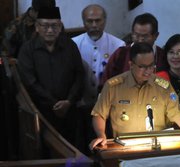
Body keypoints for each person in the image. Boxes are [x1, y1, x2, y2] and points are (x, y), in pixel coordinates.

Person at [89, 42, 180, 149]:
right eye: (142, 67)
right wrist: (101, 135)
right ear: (131, 65)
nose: (148, 71)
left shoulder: (162, 86)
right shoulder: (113, 86)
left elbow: (177, 114)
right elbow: (99, 114)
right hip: (124, 148)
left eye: (151, 66)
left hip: (157, 148)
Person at [17, 6, 84, 147]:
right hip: (41, 113)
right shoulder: (27, 50)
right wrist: (54, 103)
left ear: (60, 27)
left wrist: (69, 101)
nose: (49, 30)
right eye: (45, 25)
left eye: (54, 26)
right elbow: (30, 83)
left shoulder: (70, 46)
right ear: (37, 27)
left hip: (70, 111)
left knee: (73, 148)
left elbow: (79, 75)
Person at [72, 4, 125, 152]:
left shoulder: (118, 45)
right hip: (82, 106)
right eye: (90, 21)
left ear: (105, 21)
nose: (94, 25)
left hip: (109, 107)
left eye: (98, 20)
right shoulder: (74, 44)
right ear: (83, 22)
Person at [100, 13, 164, 88]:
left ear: (156, 36)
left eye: (145, 36)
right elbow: (106, 83)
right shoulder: (121, 54)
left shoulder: (162, 56)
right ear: (132, 33)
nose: (140, 40)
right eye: (136, 35)